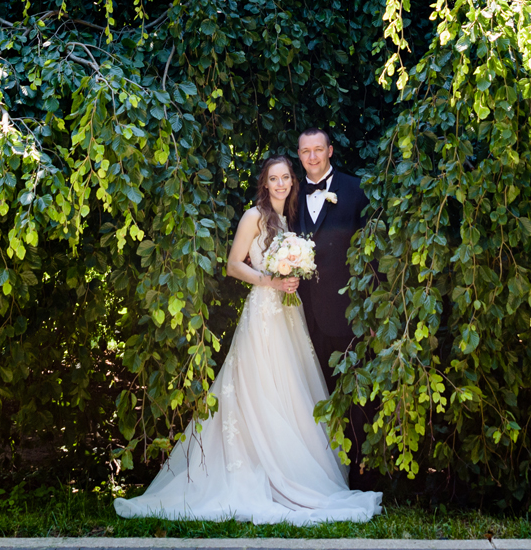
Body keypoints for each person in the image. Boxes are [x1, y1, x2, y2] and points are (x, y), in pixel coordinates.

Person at [113, 154, 381, 525]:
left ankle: (290, 469)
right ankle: (256, 468)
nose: (281, 183)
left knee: (291, 387)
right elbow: (234, 264)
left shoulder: (290, 218)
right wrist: (270, 281)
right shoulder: (254, 216)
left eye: (286, 177)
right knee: (259, 387)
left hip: (290, 312)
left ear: (292, 181)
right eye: (274, 178)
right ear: (265, 183)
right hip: (264, 313)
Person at [294, 126, 370, 474]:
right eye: (305, 151)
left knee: (352, 398)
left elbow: (373, 257)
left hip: (347, 315)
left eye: (318, 150)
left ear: (330, 151)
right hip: (302, 317)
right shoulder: (291, 195)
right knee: (312, 395)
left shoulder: (355, 190)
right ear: (299, 155)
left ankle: (356, 473)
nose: (312, 157)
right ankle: (320, 473)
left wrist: (367, 309)